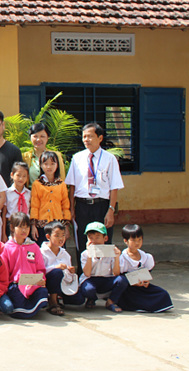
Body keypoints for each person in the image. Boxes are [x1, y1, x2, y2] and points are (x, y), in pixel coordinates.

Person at [66, 122, 124, 260]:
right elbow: (72, 186)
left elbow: (114, 187)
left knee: (103, 241)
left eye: (90, 136)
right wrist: (72, 209)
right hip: (82, 206)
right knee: (82, 240)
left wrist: (111, 210)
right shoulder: (77, 158)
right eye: (84, 136)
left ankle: (104, 275)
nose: (86, 139)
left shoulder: (110, 159)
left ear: (100, 138)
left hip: (101, 205)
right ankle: (84, 276)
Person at [0, 212, 49, 319]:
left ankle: (28, 308)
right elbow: (4, 272)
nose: (24, 230)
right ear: (12, 227)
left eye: (26, 227)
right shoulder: (7, 248)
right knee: (17, 306)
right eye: (21, 227)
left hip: (32, 284)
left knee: (42, 293)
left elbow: (40, 268)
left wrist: (41, 279)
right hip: (15, 285)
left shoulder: (34, 246)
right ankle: (26, 309)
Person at [118, 224, 173, 313]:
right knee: (132, 297)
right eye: (133, 240)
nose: (137, 243)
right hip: (128, 288)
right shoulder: (122, 258)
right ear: (126, 241)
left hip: (142, 286)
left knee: (163, 294)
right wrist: (133, 283)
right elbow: (120, 276)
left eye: (139, 239)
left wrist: (146, 281)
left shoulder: (146, 257)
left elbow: (147, 273)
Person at [80, 221, 127, 312]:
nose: (94, 241)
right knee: (88, 289)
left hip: (106, 280)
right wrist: (90, 254)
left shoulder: (111, 252)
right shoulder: (85, 254)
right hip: (91, 279)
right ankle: (91, 299)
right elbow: (87, 273)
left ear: (105, 238)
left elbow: (116, 273)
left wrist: (117, 257)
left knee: (122, 280)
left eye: (97, 237)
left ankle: (111, 301)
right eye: (90, 237)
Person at [40, 221, 83, 315]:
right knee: (57, 272)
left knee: (79, 300)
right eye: (57, 235)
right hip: (47, 282)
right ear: (48, 237)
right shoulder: (42, 252)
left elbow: (68, 277)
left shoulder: (65, 254)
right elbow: (40, 271)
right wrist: (55, 267)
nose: (61, 238)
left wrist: (71, 272)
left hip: (62, 284)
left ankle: (60, 298)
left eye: (63, 235)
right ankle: (53, 302)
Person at [30, 151, 71, 244]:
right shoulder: (37, 184)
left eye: (52, 164)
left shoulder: (61, 184)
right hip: (42, 225)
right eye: (46, 164)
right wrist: (33, 225)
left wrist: (66, 226)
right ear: (40, 165)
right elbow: (34, 205)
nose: (49, 167)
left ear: (57, 165)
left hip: (58, 224)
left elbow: (65, 205)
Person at [3, 162, 30, 238]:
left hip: (26, 226)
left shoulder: (29, 193)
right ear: (12, 175)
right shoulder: (7, 193)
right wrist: (3, 233)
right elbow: (4, 213)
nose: (21, 178)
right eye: (18, 175)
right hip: (11, 224)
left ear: (27, 177)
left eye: (24, 176)